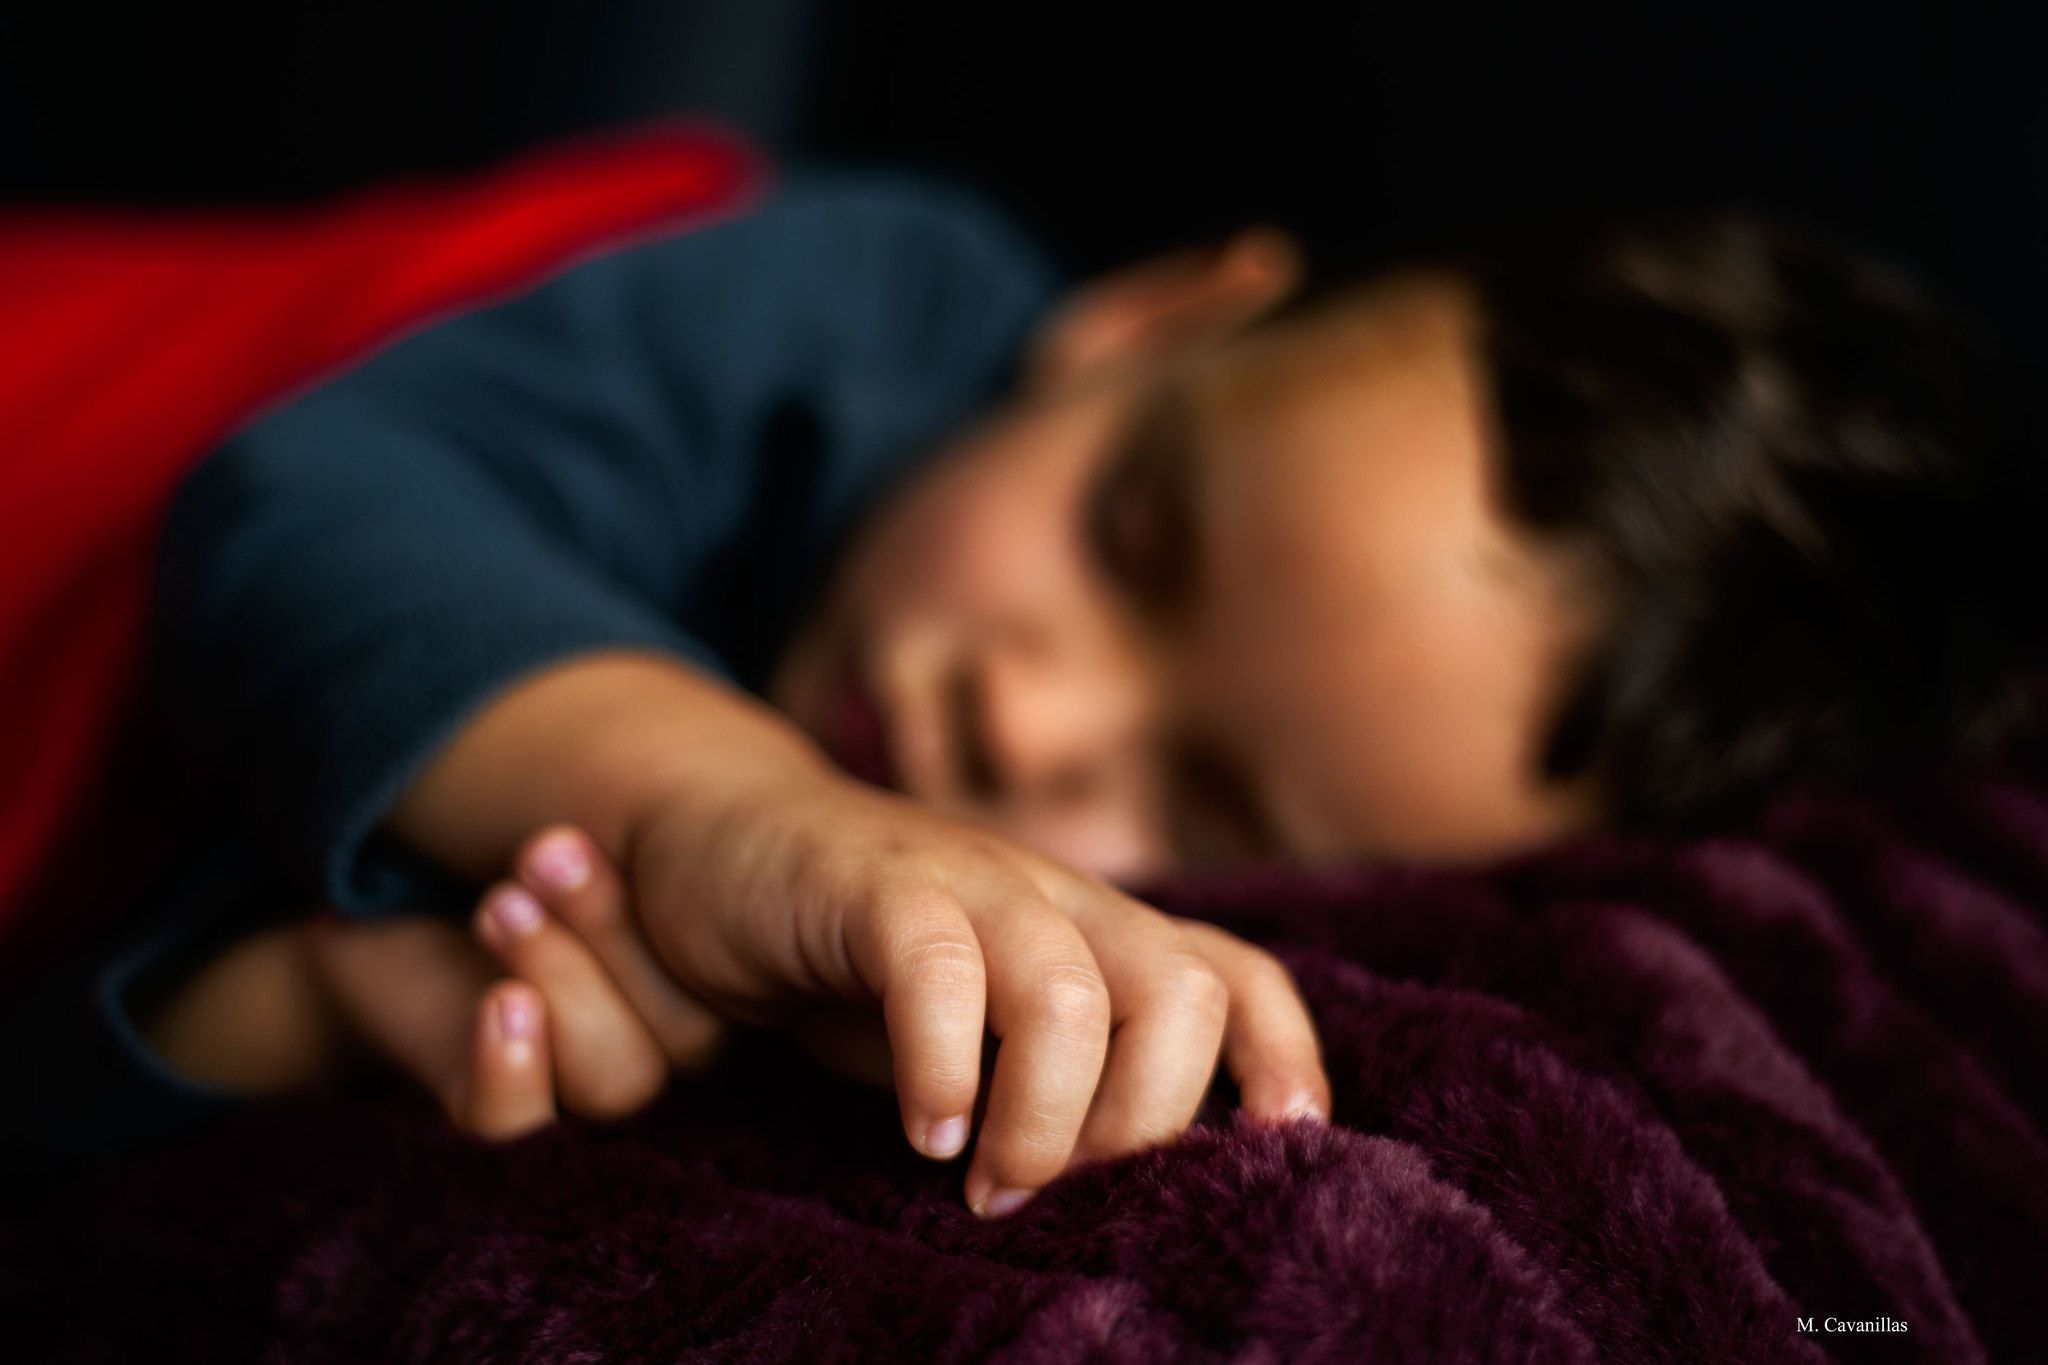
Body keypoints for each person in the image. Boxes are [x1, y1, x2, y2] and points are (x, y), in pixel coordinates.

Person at [12, 161, 2041, 1220]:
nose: (1031, 723)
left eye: (1212, 804)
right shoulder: (871, 297)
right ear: (1149, 327)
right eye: (1135, 536)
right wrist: (736, 803)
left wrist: (277, 1012)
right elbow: (310, 499)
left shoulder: (844, 1001)